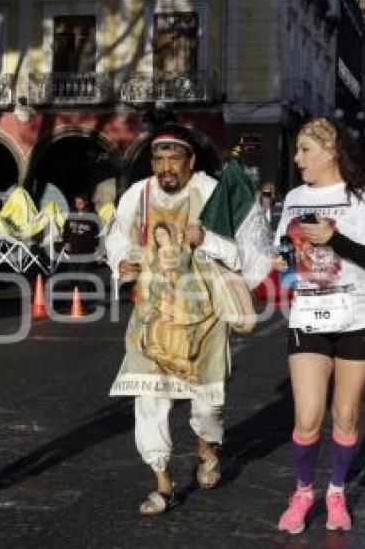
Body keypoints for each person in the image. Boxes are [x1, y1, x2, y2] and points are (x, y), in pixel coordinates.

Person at [106, 127, 241, 515]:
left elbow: (239, 248)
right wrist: (122, 261)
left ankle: (207, 447)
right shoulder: (138, 194)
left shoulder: (212, 192)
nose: (166, 168)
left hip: (205, 316)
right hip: (153, 313)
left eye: (174, 159)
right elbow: (117, 236)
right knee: (149, 398)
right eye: (159, 160)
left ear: (190, 161)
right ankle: (163, 483)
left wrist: (206, 239)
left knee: (207, 404)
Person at [272, 117, 365, 534]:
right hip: (308, 315)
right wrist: (282, 265)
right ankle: (304, 492)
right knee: (307, 417)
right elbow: (287, 253)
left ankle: (337, 491)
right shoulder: (293, 198)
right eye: (297, 150)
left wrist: (332, 239)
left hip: (358, 318)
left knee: (345, 415)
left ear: (331, 151)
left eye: (305, 150)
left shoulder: (363, 198)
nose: (297, 158)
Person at [60, 192, 101, 301]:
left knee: (83, 274)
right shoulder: (72, 215)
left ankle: (85, 299)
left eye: (80, 203)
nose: (78, 205)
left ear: (86, 202)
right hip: (74, 249)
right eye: (76, 203)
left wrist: (98, 250)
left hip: (87, 250)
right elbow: (66, 230)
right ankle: (72, 297)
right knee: (71, 273)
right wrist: (66, 242)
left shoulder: (93, 216)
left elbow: (98, 234)